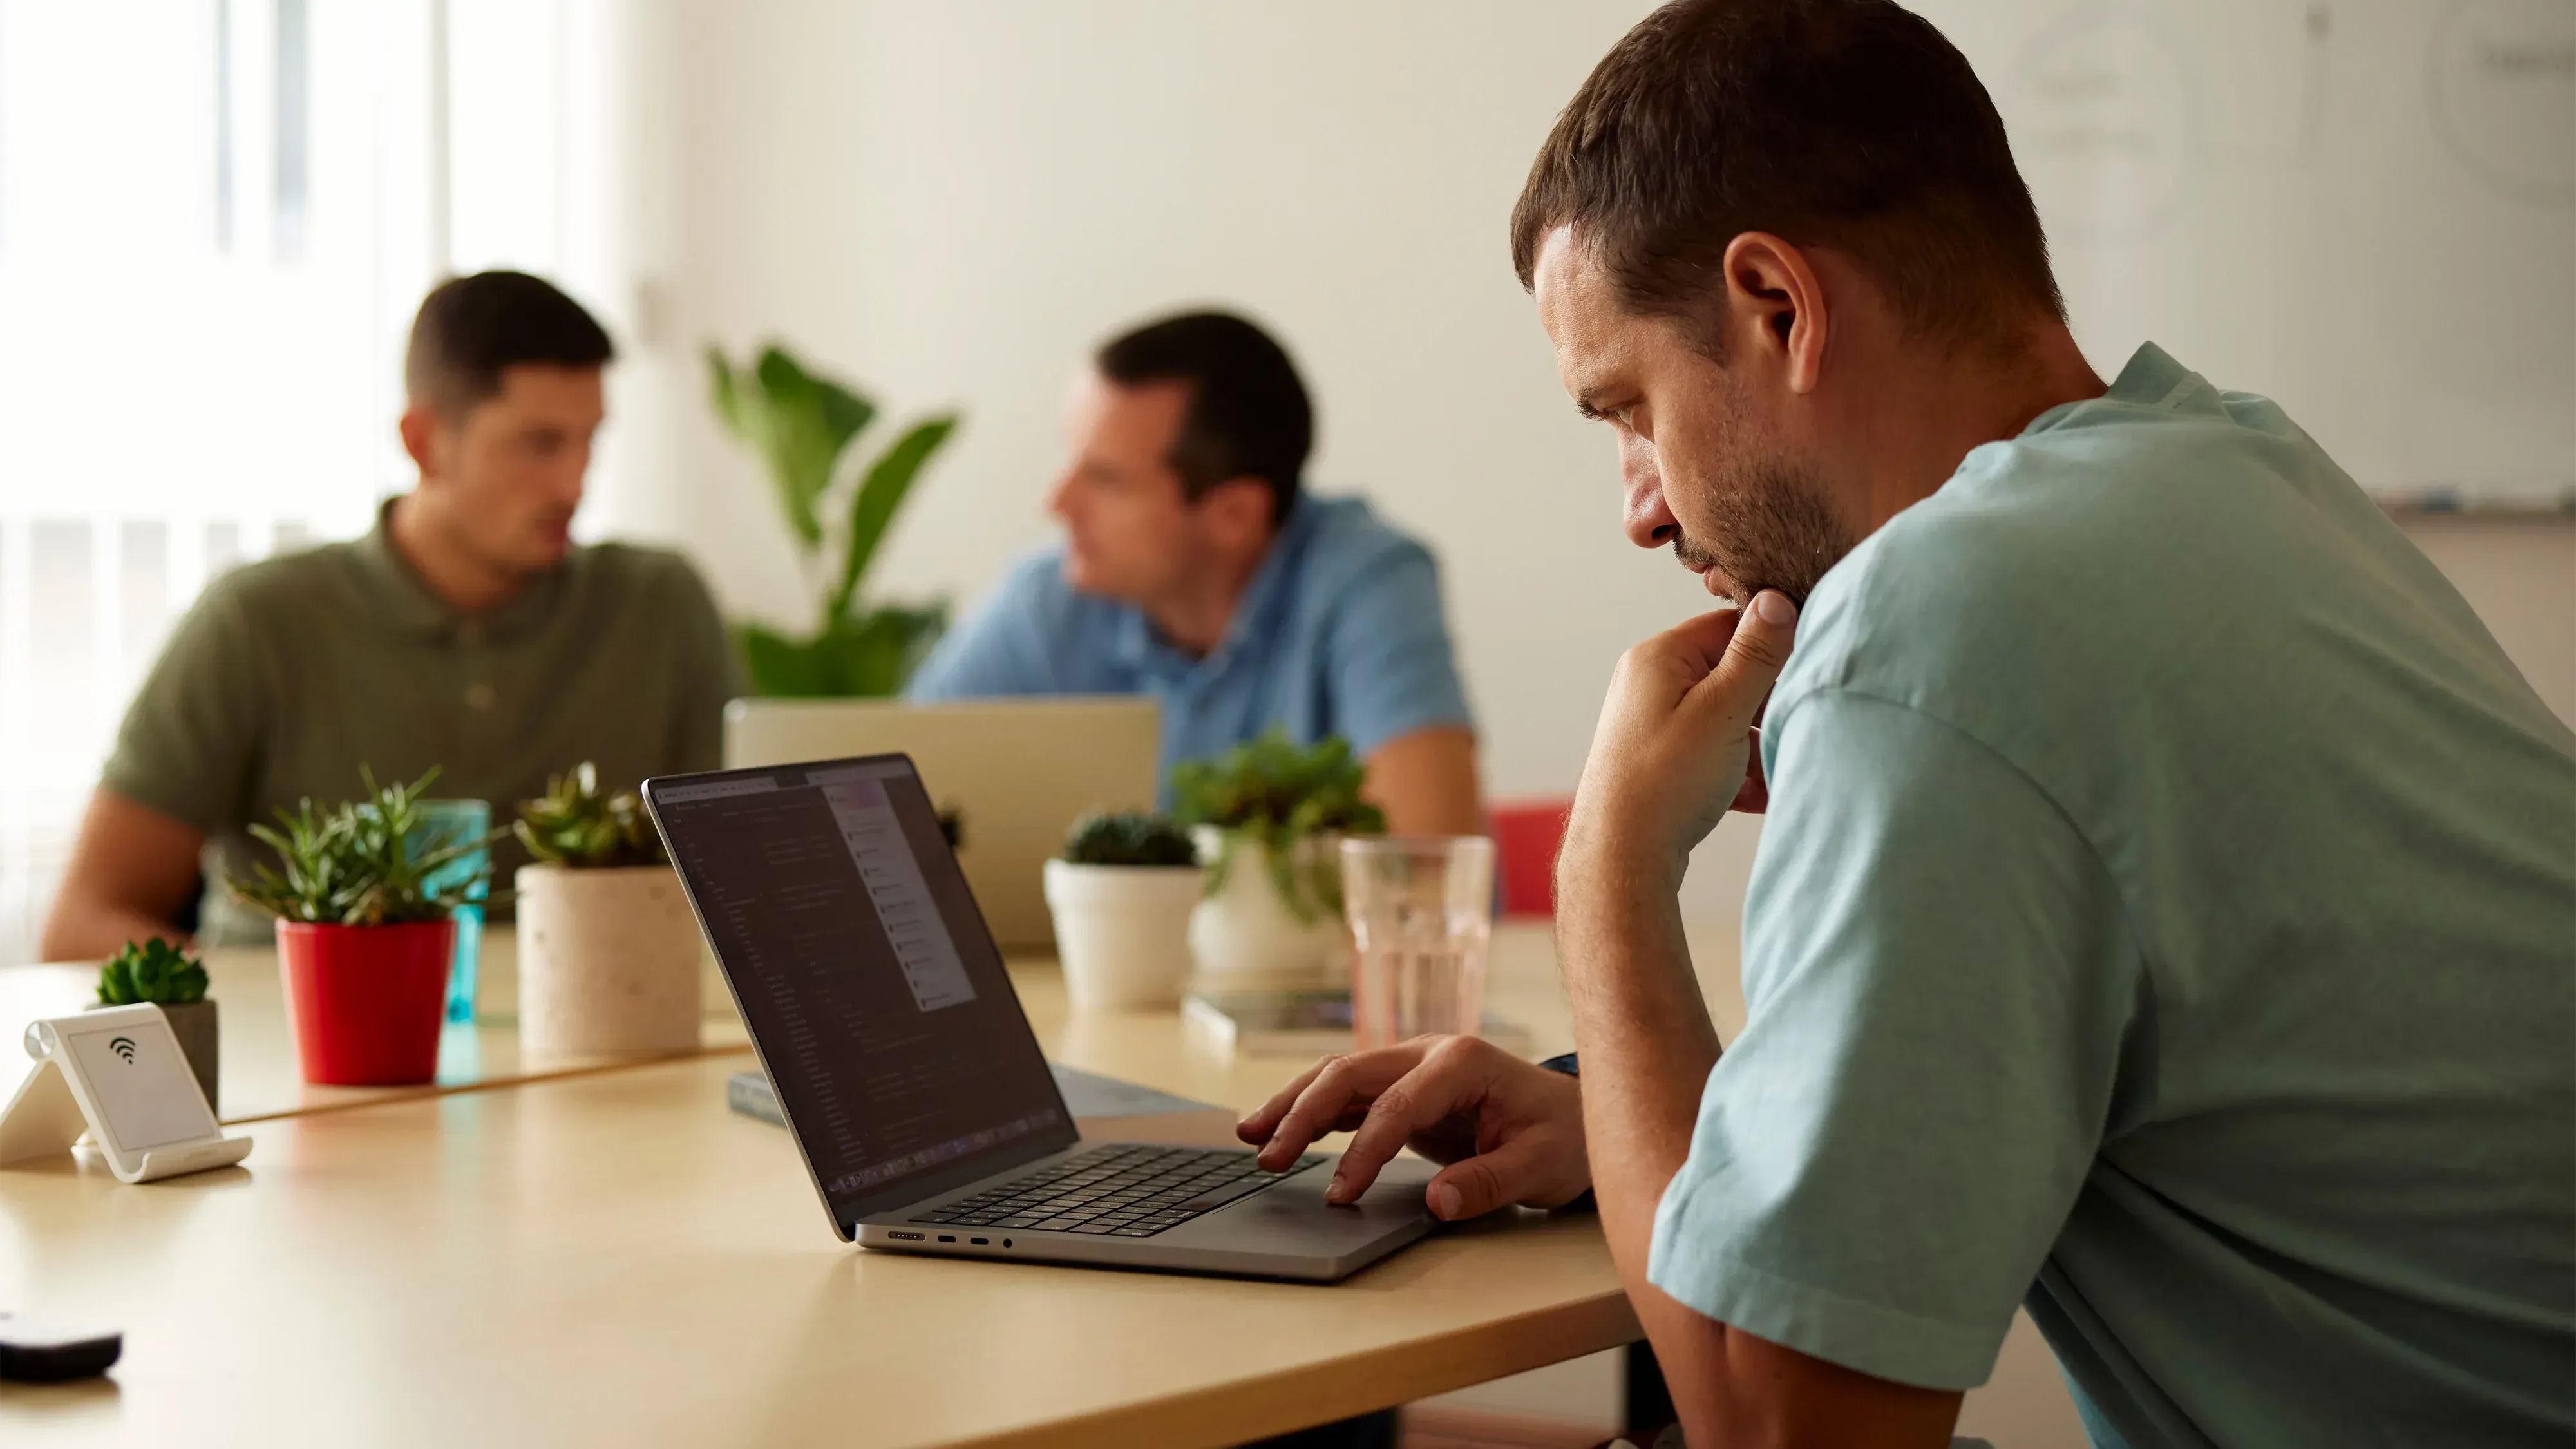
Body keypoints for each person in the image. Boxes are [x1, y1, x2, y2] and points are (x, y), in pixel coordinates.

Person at [1242, 3, 2576, 1446]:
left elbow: (1778, 1431)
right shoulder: (2231, 468)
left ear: (1777, 309)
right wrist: (1638, 1126)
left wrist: (1605, 867)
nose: (1638, 505)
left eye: (1627, 408)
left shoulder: (1941, 619)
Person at [41, 271, 741, 958]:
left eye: (590, 441)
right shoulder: (258, 622)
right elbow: (85, 922)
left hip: (593, 1048)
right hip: (310, 1052)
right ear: (422, 441)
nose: (574, 482)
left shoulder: (660, 606)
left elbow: (743, 890)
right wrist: (282, 1012)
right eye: (539, 444)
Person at [905, 309, 1481, 836]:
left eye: (1106, 480)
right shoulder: (1044, 603)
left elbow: (1424, 866)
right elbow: (885, 805)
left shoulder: (1367, 579)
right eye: (1070, 459)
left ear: (1234, 514)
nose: (1058, 503)